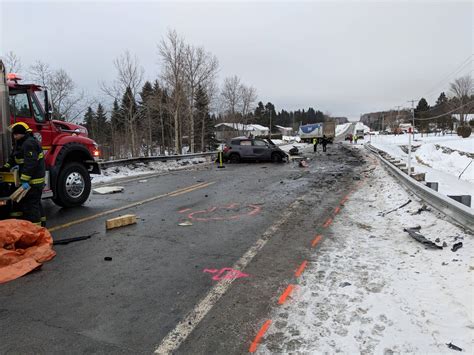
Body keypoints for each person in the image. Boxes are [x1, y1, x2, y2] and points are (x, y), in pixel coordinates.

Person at [1, 122, 46, 226]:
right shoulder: (21, 143)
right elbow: (14, 158)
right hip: (30, 181)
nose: (14, 136)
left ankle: (35, 231)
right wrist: (6, 167)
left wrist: (24, 180)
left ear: (22, 134)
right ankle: (40, 226)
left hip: (33, 182)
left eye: (16, 134)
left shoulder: (29, 143)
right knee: (33, 204)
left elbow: (30, 164)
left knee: (31, 206)